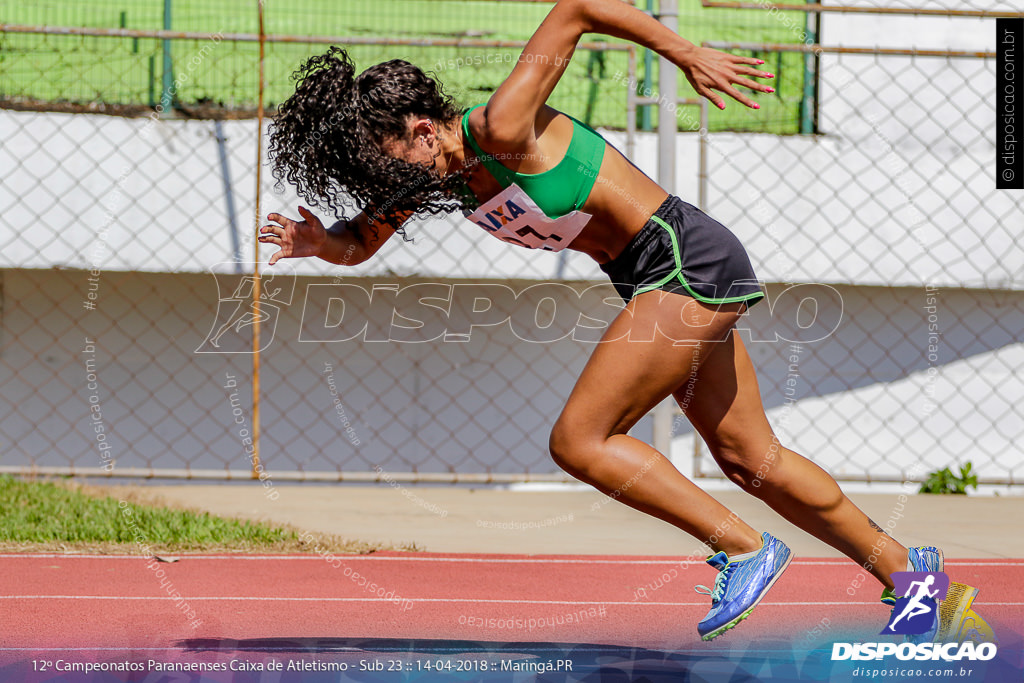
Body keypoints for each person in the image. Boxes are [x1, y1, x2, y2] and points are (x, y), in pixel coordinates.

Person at [259, 0, 955, 641]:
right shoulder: (439, 175)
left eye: (383, 163)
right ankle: (909, 571)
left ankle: (745, 547)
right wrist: (320, 243)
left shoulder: (500, 124)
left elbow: (578, 8)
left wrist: (682, 52)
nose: (384, 185)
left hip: (681, 258)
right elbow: (361, 243)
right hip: (656, 276)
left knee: (580, 438)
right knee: (752, 458)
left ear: (419, 129)